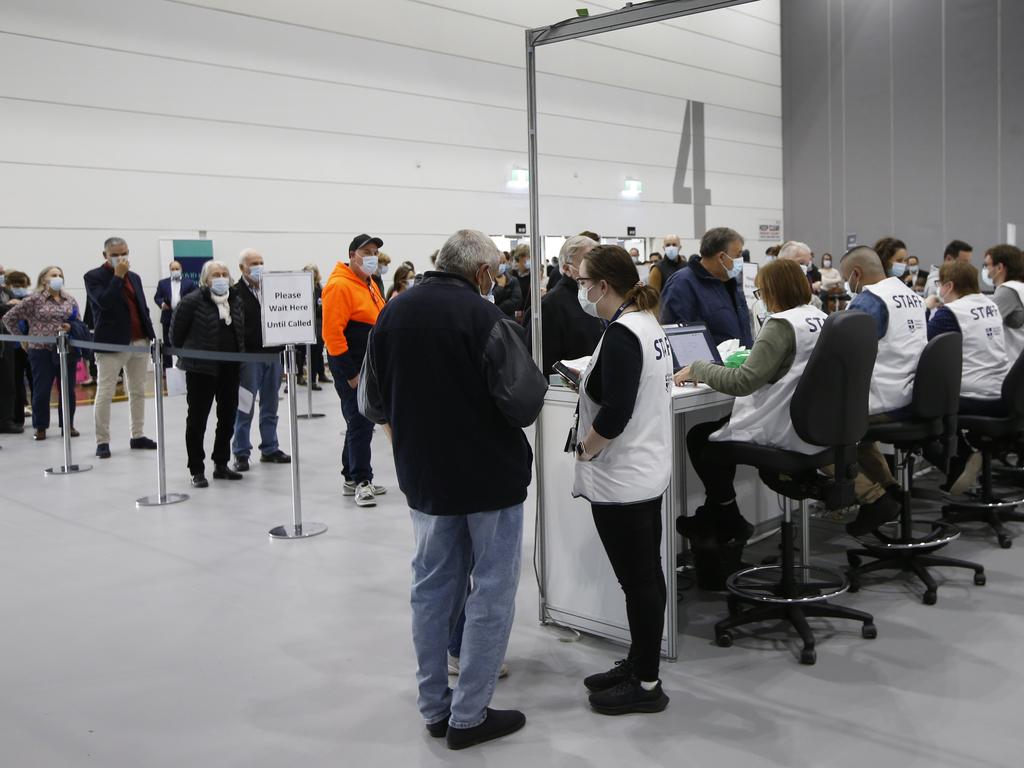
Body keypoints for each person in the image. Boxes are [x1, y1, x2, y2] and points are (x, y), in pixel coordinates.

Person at [358, 229, 546, 750]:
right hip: (489, 479)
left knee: (431, 591)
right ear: (483, 273)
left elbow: (371, 403)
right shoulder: (488, 319)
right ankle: (470, 716)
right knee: (491, 592)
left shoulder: (391, 314)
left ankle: (435, 709)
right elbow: (525, 403)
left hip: (425, 479)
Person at [569, 244, 672, 715]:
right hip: (645, 471)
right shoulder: (646, 324)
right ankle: (638, 661)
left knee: (639, 582)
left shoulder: (624, 333)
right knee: (646, 575)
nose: (581, 289)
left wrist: (586, 449)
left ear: (602, 286)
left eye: (583, 281)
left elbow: (616, 411)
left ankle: (647, 684)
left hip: (624, 478)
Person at [678, 259, 828, 541]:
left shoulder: (781, 324)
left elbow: (743, 382)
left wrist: (699, 368)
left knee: (700, 438)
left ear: (773, 290)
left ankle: (727, 515)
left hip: (782, 427)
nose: (760, 299)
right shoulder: (819, 317)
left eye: (760, 292)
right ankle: (722, 516)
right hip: (812, 426)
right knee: (715, 432)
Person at [837, 246, 926, 533]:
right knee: (857, 436)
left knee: (823, 428)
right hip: (914, 397)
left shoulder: (869, 301)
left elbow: (844, 353)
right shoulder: (912, 296)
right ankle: (890, 489)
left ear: (856, 274)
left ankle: (872, 498)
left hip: (885, 402)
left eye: (845, 278)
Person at [927, 260, 1011, 493]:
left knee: (923, 408)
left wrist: (927, 308)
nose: (939, 289)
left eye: (940, 284)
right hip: (1002, 394)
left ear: (949, 285)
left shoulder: (951, 313)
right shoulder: (991, 304)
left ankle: (959, 459)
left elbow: (923, 346)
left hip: (975, 396)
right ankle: (966, 455)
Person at [323, 234, 387, 506]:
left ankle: (351, 476)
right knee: (360, 422)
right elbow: (333, 335)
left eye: (375, 252)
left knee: (359, 422)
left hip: (369, 365)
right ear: (352, 255)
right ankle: (362, 480)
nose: (372, 257)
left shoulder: (369, 283)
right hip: (353, 367)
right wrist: (350, 374)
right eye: (367, 252)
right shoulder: (339, 286)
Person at [171, 260, 246, 488]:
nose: (221, 278)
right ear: (205, 279)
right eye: (215, 274)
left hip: (230, 369)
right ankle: (196, 468)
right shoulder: (191, 301)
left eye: (224, 274)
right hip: (200, 370)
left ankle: (221, 463)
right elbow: (176, 335)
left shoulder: (235, 300)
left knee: (227, 418)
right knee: (197, 420)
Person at [84, 237, 158, 459]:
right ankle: (102, 440)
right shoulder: (93, 277)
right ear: (105, 255)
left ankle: (137, 434)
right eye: (115, 254)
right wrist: (117, 277)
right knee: (105, 392)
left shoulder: (135, 277)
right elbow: (103, 303)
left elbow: (142, 308)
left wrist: (151, 337)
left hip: (139, 341)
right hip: (111, 343)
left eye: (124, 252)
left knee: (137, 390)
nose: (121, 258)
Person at [2, 266, 80, 441]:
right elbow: (9, 318)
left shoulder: (70, 299)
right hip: (40, 351)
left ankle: (68, 424)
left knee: (67, 390)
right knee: (42, 390)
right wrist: (22, 338)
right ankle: (41, 426)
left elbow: (78, 322)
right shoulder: (34, 300)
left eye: (60, 275)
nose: (58, 277)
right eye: (53, 275)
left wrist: (71, 327)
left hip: (65, 350)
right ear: (44, 279)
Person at [230, 249, 290, 471]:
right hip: (249, 358)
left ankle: (270, 447)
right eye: (253, 263)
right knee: (245, 406)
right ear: (242, 268)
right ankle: (241, 452)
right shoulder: (234, 293)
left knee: (271, 404)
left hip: (273, 355)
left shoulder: (272, 290)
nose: (258, 266)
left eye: (261, 262)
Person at [660, 227, 754, 348]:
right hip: (709, 365)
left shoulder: (730, 281)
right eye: (738, 255)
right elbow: (676, 338)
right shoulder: (681, 284)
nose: (740, 260)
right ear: (721, 257)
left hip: (740, 363)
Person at [524, 234, 603, 375]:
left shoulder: (595, 297)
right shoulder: (550, 306)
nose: (596, 268)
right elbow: (544, 364)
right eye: (587, 262)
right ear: (566, 268)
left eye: (598, 261)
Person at [983, 244, 1024, 362]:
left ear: (1000, 267)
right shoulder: (1019, 288)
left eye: (987, 265)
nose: (986, 271)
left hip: (1014, 366)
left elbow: (983, 323)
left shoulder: (1008, 291)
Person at [154, 260, 198, 368]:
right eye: (173, 269)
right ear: (170, 270)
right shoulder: (162, 283)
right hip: (167, 317)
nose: (175, 271)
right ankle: (167, 368)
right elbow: (157, 297)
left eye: (177, 268)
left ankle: (184, 364)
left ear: (181, 269)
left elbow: (197, 296)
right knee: (167, 343)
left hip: (184, 318)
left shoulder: (189, 283)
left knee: (183, 341)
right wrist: (162, 303)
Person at [2, 270, 32, 428]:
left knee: (31, 381)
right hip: (11, 347)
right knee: (15, 382)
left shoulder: (28, 299)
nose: (20, 288)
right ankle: (15, 417)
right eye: (16, 285)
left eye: (23, 285)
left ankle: (35, 418)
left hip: (28, 345)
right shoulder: (8, 298)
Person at [0, 264, 24, 433]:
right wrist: (9, 306)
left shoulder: (7, 292)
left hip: (6, 344)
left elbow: (19, 308)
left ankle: (6, 420)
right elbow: (10, 307)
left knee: (9, 383)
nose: (2, 275)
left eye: (2, 273)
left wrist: (10, 305)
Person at [302, 262, 329, 388]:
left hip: (319, 323)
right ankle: (311, 380)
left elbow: (321, 305)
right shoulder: (302, 288)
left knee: (318, 350)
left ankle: (321, 374)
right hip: (307, 324)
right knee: (310, 352)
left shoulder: (319, 287)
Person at [511, 243, 532, 321]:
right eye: (528, 256)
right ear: (519, 258)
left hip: (529, 317)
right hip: (513, 317)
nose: (529, 259)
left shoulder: (533, 276)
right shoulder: (511, 275)